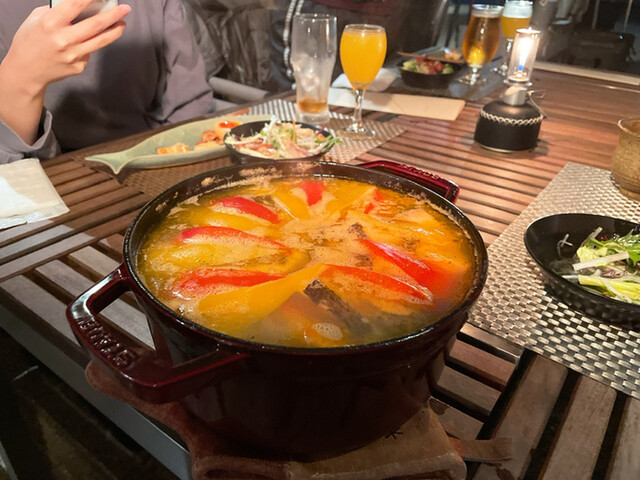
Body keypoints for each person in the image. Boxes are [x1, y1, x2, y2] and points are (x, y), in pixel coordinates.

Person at [0, 0, 213, 164]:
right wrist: (21, 80)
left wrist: (161, 157)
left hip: (145, 159)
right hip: (44, 171)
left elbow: (189, 103)